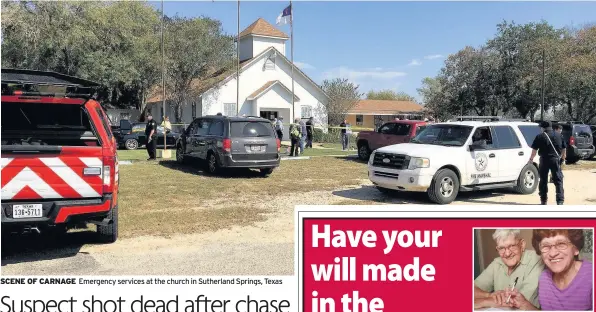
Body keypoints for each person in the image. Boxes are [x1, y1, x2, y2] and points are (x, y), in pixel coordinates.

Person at [506, 229, 592, 311]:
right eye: (546, 246)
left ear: (576, 249)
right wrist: (524, 304)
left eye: (561, 244)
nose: (552, 253)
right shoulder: (544, 279)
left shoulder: (591, 276)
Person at [474, 229, 544, 310]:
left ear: (522, 244)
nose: (507, 253)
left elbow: (520, 302)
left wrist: (482, 302)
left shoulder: (537, 260)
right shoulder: (497, 263)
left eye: (512, 246)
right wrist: (488, 295)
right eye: (501, 248)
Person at [528, 121, 567, 205]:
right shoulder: (559, 135)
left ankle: (543, 200)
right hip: (555, 160)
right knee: (558, 180)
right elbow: (564, 149)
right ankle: (560, 201)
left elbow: (534, 151)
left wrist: (531, 159)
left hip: (544, 160)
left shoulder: (539, 136)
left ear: (543, 128)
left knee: (543, 180)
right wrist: (563, 159)